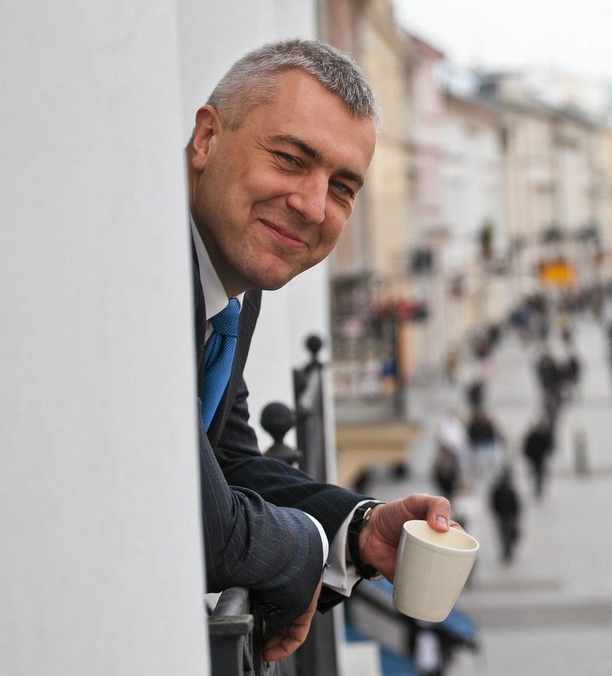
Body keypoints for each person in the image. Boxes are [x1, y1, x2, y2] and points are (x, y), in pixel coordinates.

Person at [186, 39, 454, 662]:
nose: (312, 206)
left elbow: (225, 459)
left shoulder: (230, 285)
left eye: (342, 186)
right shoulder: (149, 272)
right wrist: (305, 546)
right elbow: (202, 519)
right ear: (206, 138)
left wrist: (358, 532)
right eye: (289, 158)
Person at [489, 466, 522, 564]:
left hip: (505, 515)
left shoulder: (501, 489)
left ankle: (507, 549)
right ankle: (506, 549)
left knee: (504, 533)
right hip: (504, 515)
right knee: (504, 533)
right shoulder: (507, 489)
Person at [521, 417, 554, 500]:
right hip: (533, 457)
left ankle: (538, 489)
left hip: (540, 458)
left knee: (539, 474)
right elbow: (526, 446)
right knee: (535, 474)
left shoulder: (545, 435)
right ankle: (535, 488)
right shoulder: (533, 434)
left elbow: (549, 446)